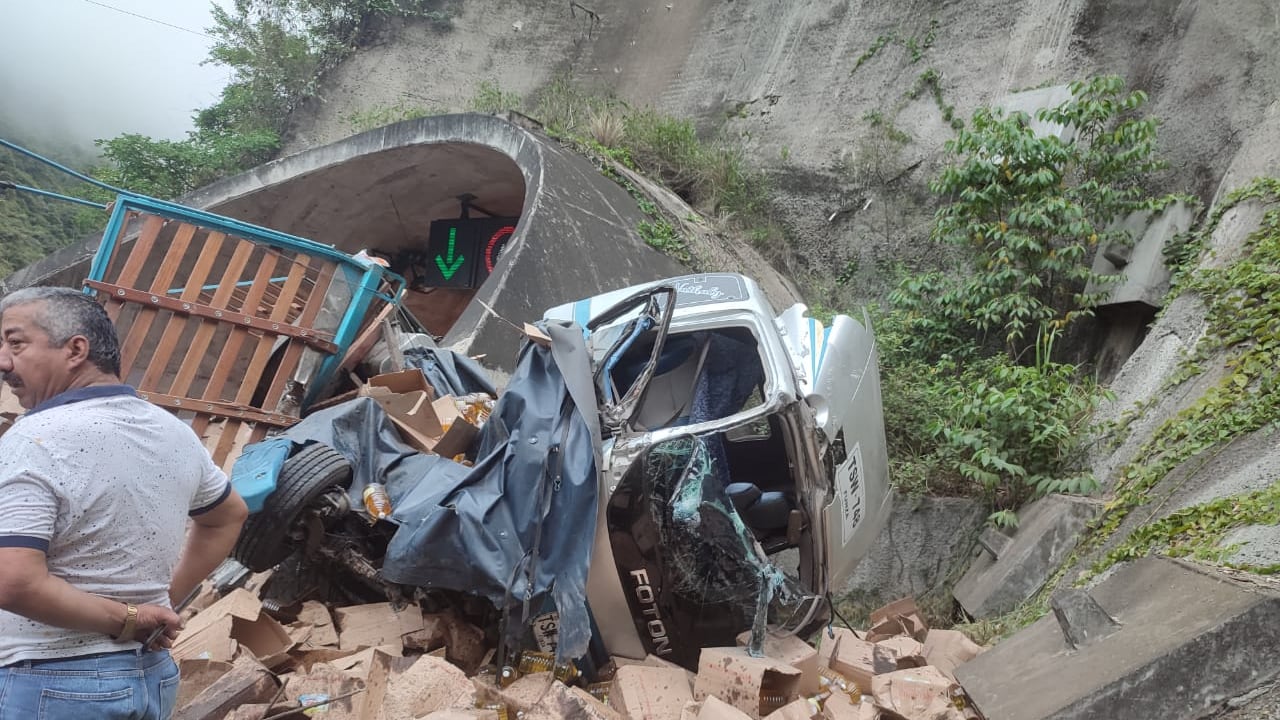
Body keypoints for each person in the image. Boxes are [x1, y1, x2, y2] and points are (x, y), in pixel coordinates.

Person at [0, 286, 249, 719]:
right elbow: (228, 515)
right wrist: (157, 605)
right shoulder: (172, 432)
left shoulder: (34, 439)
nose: (3, 362)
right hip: (149, 677)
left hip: (51, 683)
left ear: (76, 349)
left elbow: (13, 582)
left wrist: (130, 618)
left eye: (15, 343)